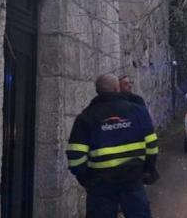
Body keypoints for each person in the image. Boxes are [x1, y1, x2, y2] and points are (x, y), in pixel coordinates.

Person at [66, 74, 159, 218]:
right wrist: (147, 169)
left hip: (101, 183)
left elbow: (75, 156)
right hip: (132, 179)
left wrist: (87, 181)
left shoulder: (85, 117)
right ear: (118, 88)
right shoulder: (138, 111)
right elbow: (152, 145)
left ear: (98, 91)